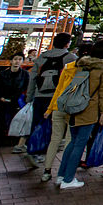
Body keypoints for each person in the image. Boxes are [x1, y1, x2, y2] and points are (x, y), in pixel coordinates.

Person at [52, 40, 103, 189]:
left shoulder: (83, 65)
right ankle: (68, 179)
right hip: (88, 110)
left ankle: (61, 175)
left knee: (73, 142)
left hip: (73, 106)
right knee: (80, 144)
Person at [24, 33, 77, 167]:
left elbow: (33, 79)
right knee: (54, 127)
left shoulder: (42, 57)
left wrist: (29, 96)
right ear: (67, 44)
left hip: (39, 95)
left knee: (37, 123)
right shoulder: (71, 58)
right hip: (57, 98)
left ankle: (32, 148)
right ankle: (42, 152)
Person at [0, 52, 29, 147]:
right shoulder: (3, 74)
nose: (17, 61)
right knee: (2, 117)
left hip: (16, 101)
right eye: (15, 59)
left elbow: (25, 88)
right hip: (2, 100)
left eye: (20, 59)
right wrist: (1, 97)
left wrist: (14, 97)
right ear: (11, 61)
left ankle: (12, 139)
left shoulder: (25, 75)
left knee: (15, 117)